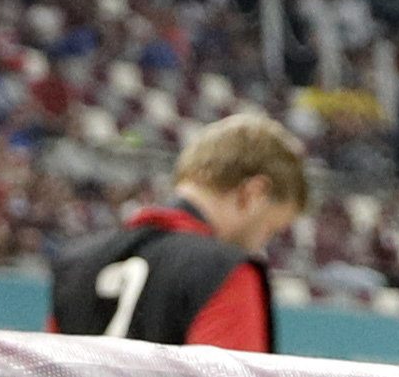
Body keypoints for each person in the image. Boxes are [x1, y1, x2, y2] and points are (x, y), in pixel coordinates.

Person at [48, 109, 311, 346]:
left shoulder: (76, 263)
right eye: (270, 229)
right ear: (253, 193)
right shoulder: (228, 272)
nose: (261, 245)